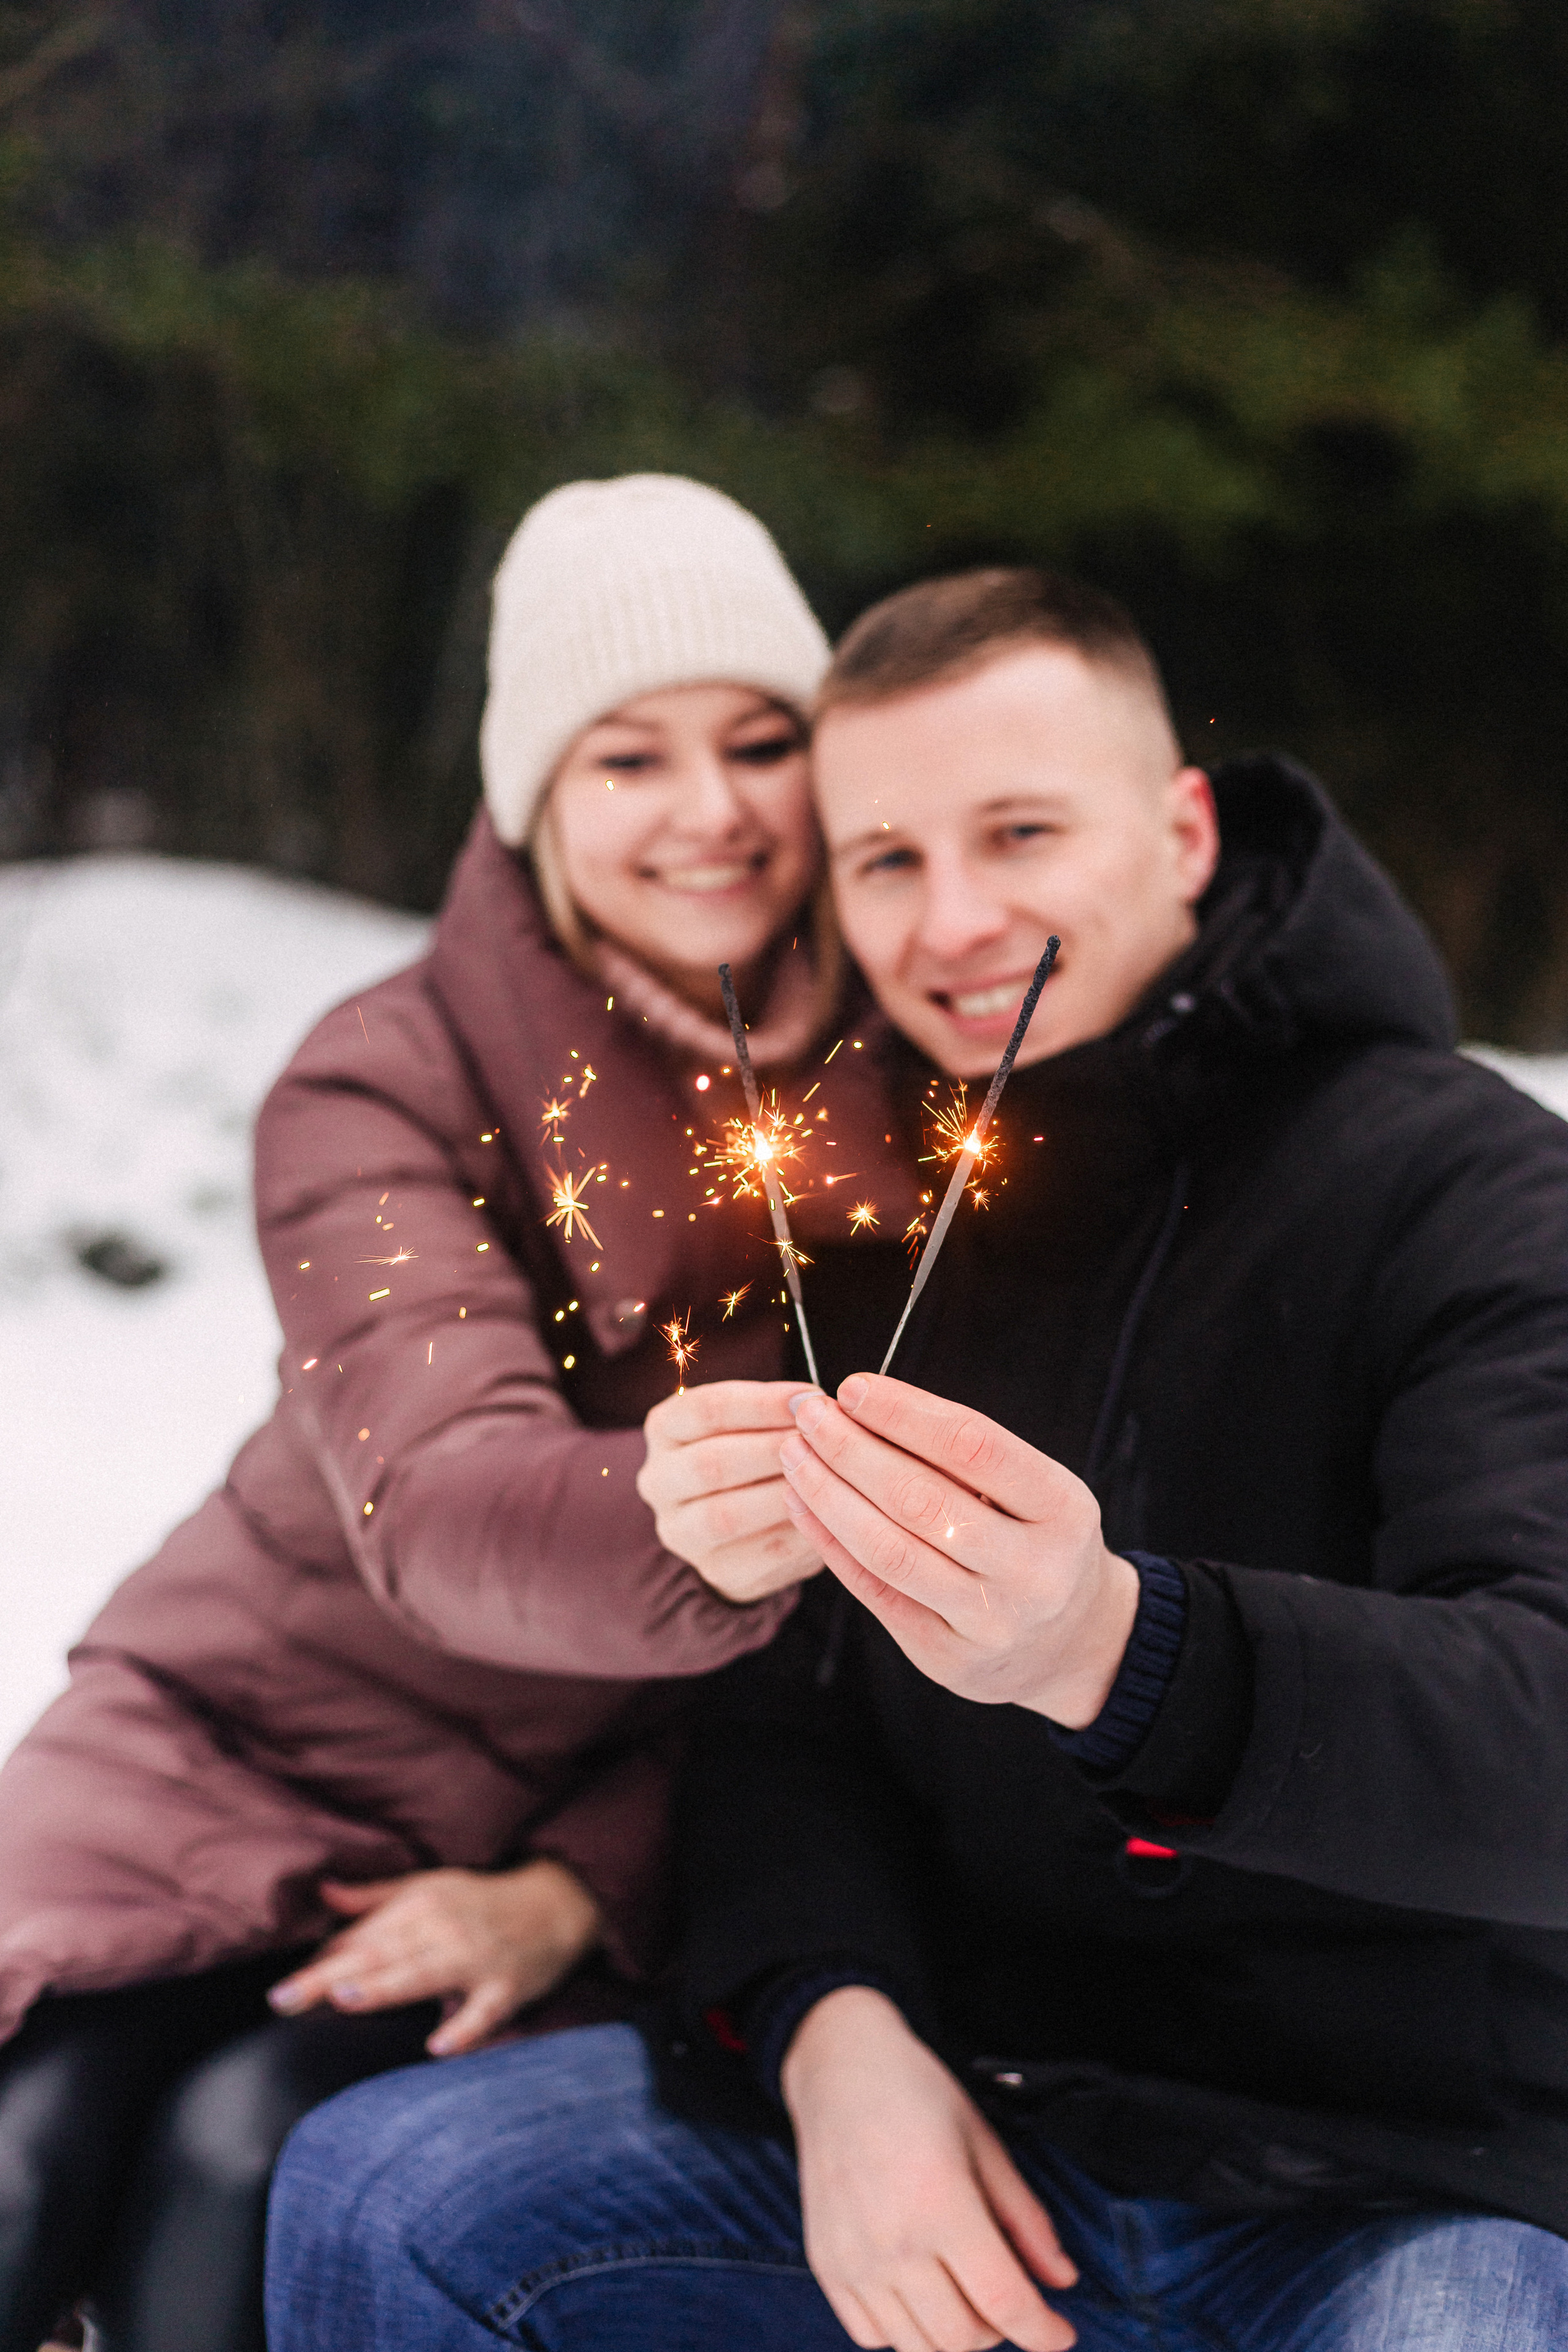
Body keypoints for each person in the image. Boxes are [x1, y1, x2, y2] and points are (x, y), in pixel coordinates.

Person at [267, 566, 1568, 2352]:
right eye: (885, 859)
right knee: (391, 2200)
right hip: (972, 2107)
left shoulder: (1473, 1188)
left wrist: (1123, 1651)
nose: (956, 920)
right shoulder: (872, 1215)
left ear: (1184, 829)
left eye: (1020, 831)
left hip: (1398, 2178)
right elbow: (783, 1722)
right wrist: (834, 2035)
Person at [0, 474, 913, 2352]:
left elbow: (845, 1691)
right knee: (26, 2146)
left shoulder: (928, 1104)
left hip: (586, 1820)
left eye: (761, 742)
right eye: (627, 761)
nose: (714, 811)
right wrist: (711, 1506)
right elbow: (442, 1501)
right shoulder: (385, 1079)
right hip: (226, 1741)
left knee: (240, 2164)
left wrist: (576, 1896)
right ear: (533, 798)